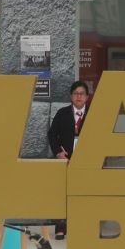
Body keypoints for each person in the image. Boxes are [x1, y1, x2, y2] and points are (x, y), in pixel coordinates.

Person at [46, 80, 91, 239]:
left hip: (87, 161)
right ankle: (60, 226)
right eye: (76, 94)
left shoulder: (94, 114)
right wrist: (58, 152)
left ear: (87, 97)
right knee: (62, 192)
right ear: (71, 96)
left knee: (84, 192)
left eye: (82, 94)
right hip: (66, 159)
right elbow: (52, 134)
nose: (79, 97)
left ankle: (83, 225)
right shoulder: (62, 113)